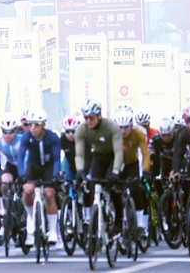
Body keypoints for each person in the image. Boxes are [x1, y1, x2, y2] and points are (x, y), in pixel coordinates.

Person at [74, 100, 123, 235]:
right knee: (92, 186)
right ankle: (96, 217)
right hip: (98, 157)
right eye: (86, 118)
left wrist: (115, 171)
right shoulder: (81, 129)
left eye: (91, 118)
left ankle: (119, 219)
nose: (88, 121)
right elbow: (79, 154)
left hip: (113, 156)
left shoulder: (111, 126)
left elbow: (119, 152)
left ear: (99, 115)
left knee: (112, 187)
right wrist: (80, 171)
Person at [16, 109, 61, 247]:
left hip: (48, 167)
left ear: (43, 125)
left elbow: (57, 159)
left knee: (49, 193)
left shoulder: (52, 137)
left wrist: (55, 176)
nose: (33, 128)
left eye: (36, 125)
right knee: (27, 190)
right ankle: (30, 217)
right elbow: (20, 157)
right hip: (33, 167)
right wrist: (21, 175)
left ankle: (52, 230)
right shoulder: (26, 137)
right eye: (30, 124)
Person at [115, 110, 151, 235]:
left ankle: (140, 224)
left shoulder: (138, 134)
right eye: (120, 127)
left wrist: (145, 170)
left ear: (131, 125)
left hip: (132, 164)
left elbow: (145, 154)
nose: (123, 131)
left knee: (136, 190)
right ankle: (118, 220)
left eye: (126, 127)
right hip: (117, 164)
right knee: (114, 192)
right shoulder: (113, 135)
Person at [0, 113, 22, 213]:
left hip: (23, 166)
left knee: (25, 188)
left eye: (11, 132)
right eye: (5, 132)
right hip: (11, 165)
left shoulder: (22, 140)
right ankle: (7, 209)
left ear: (16, 130)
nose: (7, 135)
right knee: (4, 184)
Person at [149, 116, 176, 192]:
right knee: (164, 185)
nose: (166, 138)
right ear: (159, 133)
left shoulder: (179, 137)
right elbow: (150, 155)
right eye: (163, 135)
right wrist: (149, 170)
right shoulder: (155, 139)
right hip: (165, 160)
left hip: (179, 160)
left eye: (168, 135)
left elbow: (186, 154)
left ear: (173, 132)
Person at [60, 114, 90, 180]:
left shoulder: (86, 139)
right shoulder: (63, 140)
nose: (70, 134)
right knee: (67, 182)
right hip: (72, 168)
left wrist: (84, 173)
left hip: (87, 167)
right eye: (67, 131)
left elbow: (89, 159)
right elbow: (59, 157)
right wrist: (61, 171)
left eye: (73, 131)